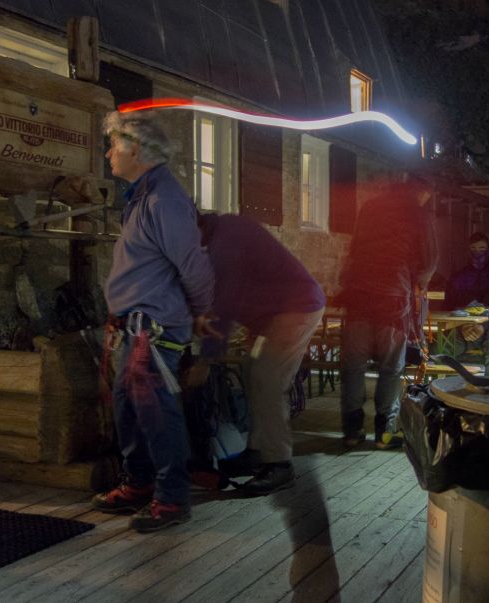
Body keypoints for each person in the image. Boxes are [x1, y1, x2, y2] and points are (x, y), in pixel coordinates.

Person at [91, 111, 218, 532]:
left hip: (154, 327)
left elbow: (193, 265)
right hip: (135, 324)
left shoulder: (164, 200)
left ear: (136, 149)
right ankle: (141, 482)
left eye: (114, 144)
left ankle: (172, 497)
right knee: (128, 408)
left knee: (156, 413)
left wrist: (201, 312)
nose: (109, 152)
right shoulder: (141, 198)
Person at [197, 212, 326, 495]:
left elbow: (226, 299)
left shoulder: (223, 242)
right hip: (278, 313)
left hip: (296, 309)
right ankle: (257, 451)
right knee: (251, 369)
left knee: (268, 380)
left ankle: (279, 465)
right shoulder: (226, 229)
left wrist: (207, 358)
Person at [336, 177, 438, 449]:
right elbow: (428, 261)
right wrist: (419, 280)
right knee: (391, 367)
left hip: (358, 293)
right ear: (423, 190)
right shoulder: (417, 212)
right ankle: (384, 433)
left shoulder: (370, 206)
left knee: (353, 366)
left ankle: (351, 431)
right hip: (392, 296)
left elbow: (355, 247)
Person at [445, 232, 489, 379]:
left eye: (482, 248)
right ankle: (447, 391)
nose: (478, 253)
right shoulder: (459, 278)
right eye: (474, 248)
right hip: (462, 330)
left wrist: (484, 326)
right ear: (468, 250)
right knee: (442, 350)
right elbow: (448, 308)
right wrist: (462, 326)